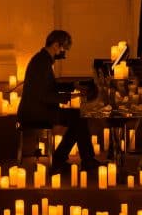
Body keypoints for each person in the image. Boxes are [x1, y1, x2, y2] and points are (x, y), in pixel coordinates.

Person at [17, 29, 100, 173]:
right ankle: (81, 161)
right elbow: (43, 95)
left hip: (39, 108)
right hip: (35, 112)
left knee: (78, 117)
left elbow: (51, 86)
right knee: (78, 118)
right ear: (56, 45)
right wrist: (69, 97)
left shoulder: (43, 60)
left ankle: (64, 159)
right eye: (64, 48)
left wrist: (72, 86)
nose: (64, 52)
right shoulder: (41, 63)